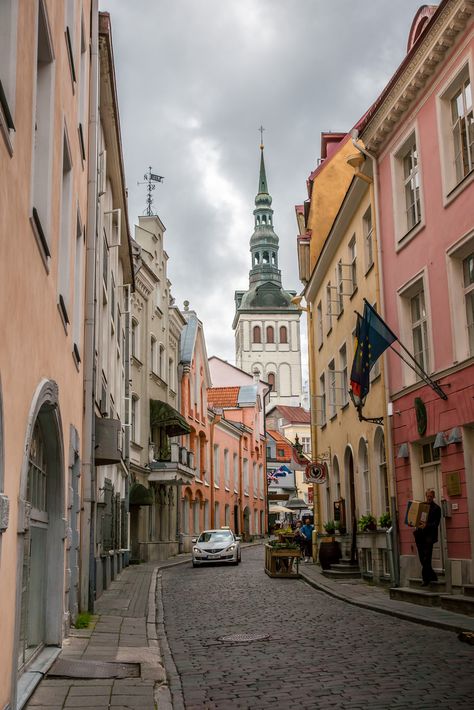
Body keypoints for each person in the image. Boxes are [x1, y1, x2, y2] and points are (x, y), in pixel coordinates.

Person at [413, 489, 441, 586]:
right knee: (422, 558)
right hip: (420, 535)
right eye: (427, 496)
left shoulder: (437, 508)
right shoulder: (422, 506)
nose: (429, 498)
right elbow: (417, 518)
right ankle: (432, 575)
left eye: (430, 496)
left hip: (430, 536)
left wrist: (427, 525)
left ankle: (426, 579)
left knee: (426, 558)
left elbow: (436, 524)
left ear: (433, 497)